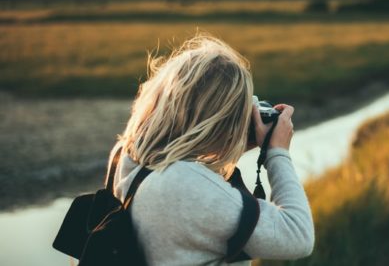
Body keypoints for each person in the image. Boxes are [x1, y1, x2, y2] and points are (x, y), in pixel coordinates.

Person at [107, 33, 315, 265]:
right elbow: (298, 235)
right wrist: (277, 153)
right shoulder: (182, 184)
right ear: (219, 116)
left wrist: (229, 145)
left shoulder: (129, 158)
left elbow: (193, 227)